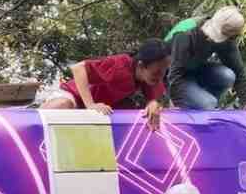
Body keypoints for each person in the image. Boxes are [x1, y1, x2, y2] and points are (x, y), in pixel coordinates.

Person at [42, 39, 171, 129]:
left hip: (96, 107)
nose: (160, 76)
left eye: (164, 71)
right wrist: (90, 104)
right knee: (62, 105)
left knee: (130, 109)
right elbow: (78, 68)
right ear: (141, 65)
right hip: (73, 95)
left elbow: (155, 100)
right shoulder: (120, 65)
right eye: (157, 72)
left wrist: (153, 104)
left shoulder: (150, 78)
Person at [165, 7, 246, 112]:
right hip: (173, 76)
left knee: (228, 75)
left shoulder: (227, 37)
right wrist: (177, 106)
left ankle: (205, 109)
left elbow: (238, 70)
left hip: (194, 70)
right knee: (209, 103)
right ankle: (203, 108)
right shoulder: (185, 33)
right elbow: (173, 74)